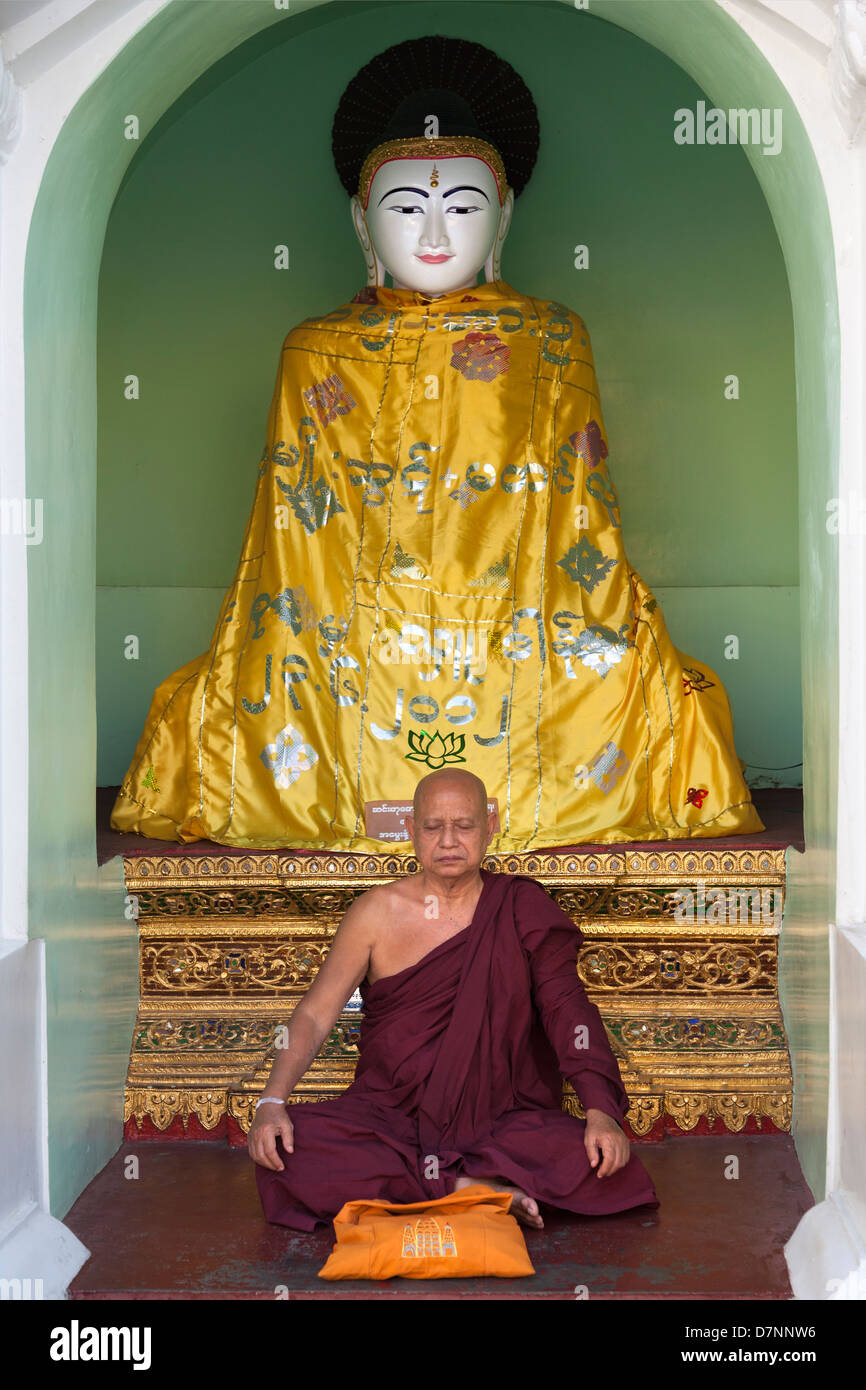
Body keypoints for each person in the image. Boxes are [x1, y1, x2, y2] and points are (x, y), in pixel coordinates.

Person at [110, 34, 764, 851]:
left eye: (460, 207)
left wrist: (568, 628)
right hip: (351, 628)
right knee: (233, 692)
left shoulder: (552, 337)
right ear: (360, 219)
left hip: (523, 621)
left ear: (504, 216)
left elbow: (581, 518)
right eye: (403, 208)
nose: (431, 234)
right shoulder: (314, 348)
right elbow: (292, 535)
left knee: (673, 700)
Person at [250, 767, 658, 1229]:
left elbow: (570, 1014)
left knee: (604, 1168)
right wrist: (271, 1103)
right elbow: (315, 1014)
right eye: (432, 827)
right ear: (410, 830)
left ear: (491, 826)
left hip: (500, 1120)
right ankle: (466, 1188)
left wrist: (601, 1111)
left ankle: (438, 1188)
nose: (448, 841)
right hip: (390, 1119)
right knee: (289, 1151)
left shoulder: (520, 908)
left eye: (464, 826)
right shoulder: (376, 913)